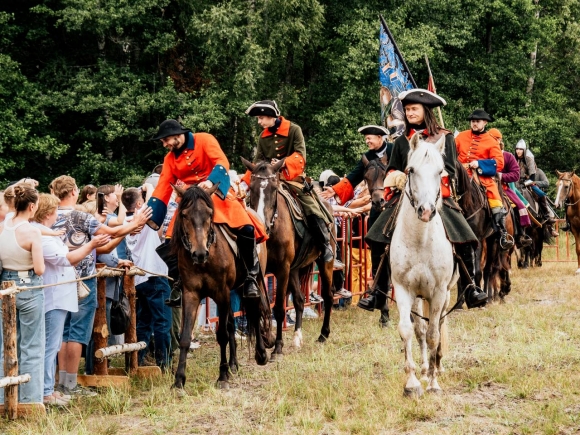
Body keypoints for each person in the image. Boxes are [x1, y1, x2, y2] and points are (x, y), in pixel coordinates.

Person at [362, 89, 488, 309]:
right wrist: (398, 177)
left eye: (414, 109)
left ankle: (470, 289)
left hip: (439, 196)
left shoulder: (445, 137)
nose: (409, 113)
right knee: (376, 235)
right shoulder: (402, 141)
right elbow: (391, 168)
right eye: (407, 109)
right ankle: (378, 292)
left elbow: (450, 169)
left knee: (465, 235)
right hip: (407, 198)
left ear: (425, 110)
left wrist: (432, 178)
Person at [51, 175, 151, 397]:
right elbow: (111, 234)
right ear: (73, 192)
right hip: (83, 281)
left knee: (61, 333)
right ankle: (70, 384)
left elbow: (104, 245)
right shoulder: (81, 217)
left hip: (57, 280)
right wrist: (135, 223)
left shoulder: (49, 216)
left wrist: (127, 229)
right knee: (77, 333)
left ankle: (61, 382)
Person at [146, 119, 267, 301]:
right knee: (170, 241)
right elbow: (163, 186)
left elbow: (221, 161)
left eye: (165, 140)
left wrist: (210, 181)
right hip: (189, 200)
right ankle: (179, 282)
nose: (165, 145)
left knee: (246, 228)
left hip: (216, 192)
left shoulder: (205, 139)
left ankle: (251, 276)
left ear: (177, 136)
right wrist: (149, 215)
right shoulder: (169, 159)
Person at [32, 194, 110, 406]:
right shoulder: (44, 238)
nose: (58, 214)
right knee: (49, 346)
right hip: (53, 297)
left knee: (56, 343)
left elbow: (67, 251)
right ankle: (46, 391)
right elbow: (67, 258)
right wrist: (93, 243)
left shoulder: (48, 234)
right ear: (48, 213)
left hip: (60, 297)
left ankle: (50, 388)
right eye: (56, 210)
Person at [242, 100, 334, 262]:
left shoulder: (294, 130)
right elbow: (257, 163)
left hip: (291, 179)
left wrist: (283, 163)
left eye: (261, 118)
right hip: (269, 181)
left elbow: (301, 156)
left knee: (312, 208)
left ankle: (324, 244)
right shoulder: (263, 137)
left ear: (272, 116)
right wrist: (244, 183)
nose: (259, 122)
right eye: (258, 119)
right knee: (248, 205)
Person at [320, 124, 394, 312]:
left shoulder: (395, 150)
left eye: (370, 138)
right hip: (378, 207)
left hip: (396, 199)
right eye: (366, 138)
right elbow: (352, 178)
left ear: (381, 138)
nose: (367, 141)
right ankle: (377, 293)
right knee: (375, 244)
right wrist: (334, 190)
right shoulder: (366, 158)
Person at [0, 184, 45, 404]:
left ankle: (3, 398)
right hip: (28, 285)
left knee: (5, 345)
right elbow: (40, 269)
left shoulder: (4, 224)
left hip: (4, 284)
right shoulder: (32, 231)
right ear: (32, 206)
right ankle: (30, 401)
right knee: (32, 346)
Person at [123, 186, 173, 370]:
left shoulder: (125, 220)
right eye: (142, 200)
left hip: (139, 279)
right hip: (154, 275)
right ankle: (164, 363)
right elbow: (156, 199)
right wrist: (149, 188)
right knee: (162, 321)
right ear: (138, 204)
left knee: (143, 322)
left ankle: (138, 360)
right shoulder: (144, 218)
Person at [455, 109, 512, 249]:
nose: (474, 124)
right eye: (472, 121)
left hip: (481, 177)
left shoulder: (492, 142)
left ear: (485, 123)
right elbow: (450, 155)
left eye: (477, 121)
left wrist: (480, 164)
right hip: (458, 175)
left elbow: (499, 163)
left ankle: (502, 233)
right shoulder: (460, 137)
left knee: (496, 203)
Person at [488, 129, 532, 247]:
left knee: (520, 206)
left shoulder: (507, 156)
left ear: (498, 140)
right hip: (484, 187)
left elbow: (515, 174)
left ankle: (520, 235)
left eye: (493, 139)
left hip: (502, 188)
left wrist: (501, 175)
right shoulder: (483, 154)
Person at [514, 140, 558, 236]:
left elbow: (533, 178)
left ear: (524, 150)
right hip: (515, 183)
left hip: (528, 183)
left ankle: (546, 216)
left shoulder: (529, 158)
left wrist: (524, 184)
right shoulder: (515, 159)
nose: (518, 151)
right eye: (517, 149)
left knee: (541, 194)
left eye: (520, 149)